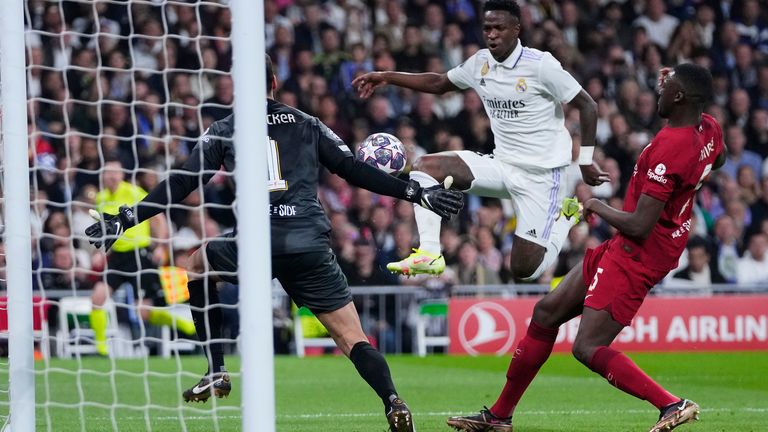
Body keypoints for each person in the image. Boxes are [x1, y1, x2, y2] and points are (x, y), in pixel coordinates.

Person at [86, 54, 463, 432]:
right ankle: (392, 400)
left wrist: (128, 217)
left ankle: (216, 368)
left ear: (237, 87)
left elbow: (185, 179)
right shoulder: (306, 122)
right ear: (275, 83)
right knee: (352, 338)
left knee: (198, 264)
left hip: (256, 244)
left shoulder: (226, 127)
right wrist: (413, 192)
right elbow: (351, 169)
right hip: (307, 243)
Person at [446, 63, 725, 432]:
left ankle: (672, 403)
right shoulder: (709, 128)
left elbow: (640, 226)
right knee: (546, 313)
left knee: (587, 347)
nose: (658, 90)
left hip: (638, 253)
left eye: (665, 88)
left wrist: (595, 205)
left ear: (678, 98)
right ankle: (499, 417)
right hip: (637, 245)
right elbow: (716, 159)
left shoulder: (670, 147)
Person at [353, 0, 607, 282]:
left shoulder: (541, 65)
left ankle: (566, 218)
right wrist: (387, 77)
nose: (492, 34)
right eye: (487, 28)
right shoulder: (480, 63)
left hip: (542, 178)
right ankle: (430, 253)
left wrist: (584, 161)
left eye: (499, 28)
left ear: (516, 29)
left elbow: (588, 105)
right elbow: (438, 83)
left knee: (524, 271)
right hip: (502, 165)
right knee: (424, 166)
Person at [91, 156, 196, 356]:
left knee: (142, 311)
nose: (111, 176)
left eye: (114, 172)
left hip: (139, 255)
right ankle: (101, 347)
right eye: (107, 172)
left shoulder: (133, 192)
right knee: (97, 297)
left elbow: (157, 218)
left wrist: (161, 247)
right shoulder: (101, 198)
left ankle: (183, 323)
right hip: (117, 258)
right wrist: (99, 253)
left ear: (122, 175)